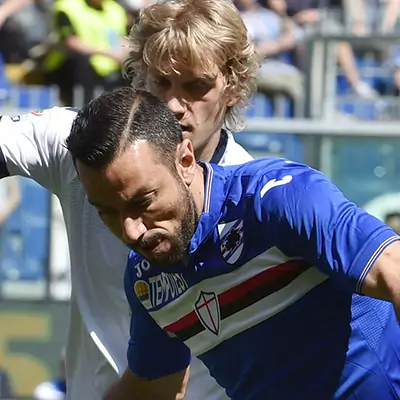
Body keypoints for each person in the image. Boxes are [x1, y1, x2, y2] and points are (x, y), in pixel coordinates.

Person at [67, 87, 400, 400]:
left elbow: (394, 269)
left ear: (185, 161)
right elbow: (153, 390)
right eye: (108, 212)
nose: (131, 231)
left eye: (143, 201)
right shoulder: (147, 278)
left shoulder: (275, 200)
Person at [0, 0, 258, 397]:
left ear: (233, 88)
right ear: (138, 77)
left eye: (196, 86)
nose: (174, 105)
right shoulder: (78, 144)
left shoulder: (257, 198)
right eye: (161, 82)